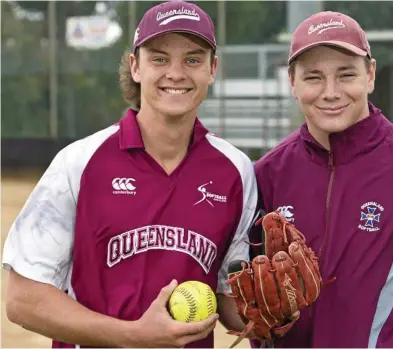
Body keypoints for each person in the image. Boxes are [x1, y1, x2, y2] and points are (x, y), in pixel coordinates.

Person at [3, 1, 256, 348]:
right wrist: (132, 337)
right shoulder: (79, 163)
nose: (176, 73)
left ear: (213, 69)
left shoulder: (236, 171)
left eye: (193, 59)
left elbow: (231, 303)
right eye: (159, 58)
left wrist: (278, 312)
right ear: (136, 67)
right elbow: (22, 300)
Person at [252, 10, 393, 348]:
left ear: (370, 75)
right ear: (292, 83)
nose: (331, 92)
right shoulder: (266, 175)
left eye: (346, 74)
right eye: (313, 77)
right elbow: (257, 307)